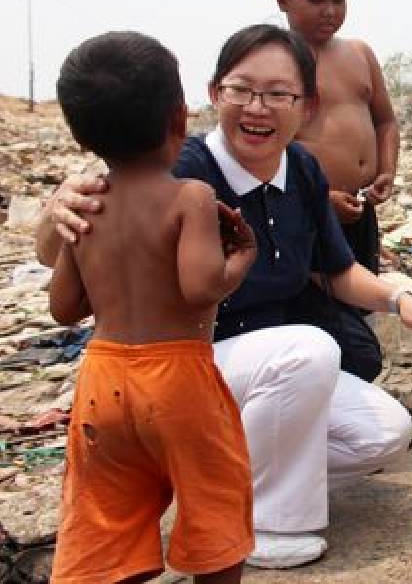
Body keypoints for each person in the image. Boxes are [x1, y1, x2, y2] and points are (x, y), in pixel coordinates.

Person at [37, 24, 412, 570]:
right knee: (309, 350)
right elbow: (71, 242)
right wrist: (58, 208)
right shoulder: (181, 170)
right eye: (242, 90)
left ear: (306, 105)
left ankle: (212, 483)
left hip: (262, 377)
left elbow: (337, 271)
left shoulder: (304, 169)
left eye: (279, 94)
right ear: (214, 94)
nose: (258, 108)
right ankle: (267, 524)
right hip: (186, 367)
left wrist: (400, 298)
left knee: (384, 432)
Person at [48, 32, 257, 584]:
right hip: (178, 378)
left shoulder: (87, 204)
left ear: (78, 131)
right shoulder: (188, 196)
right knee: (215, 496)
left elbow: (64, 307)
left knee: (108, 512)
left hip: (102, 379)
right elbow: (200, 287)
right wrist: (244, 258)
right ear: (177, 117)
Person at [275, 0, 398, 381]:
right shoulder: (278, 61)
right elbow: (264, 146)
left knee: (357, 300)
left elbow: (384, 120)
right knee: (313, 308)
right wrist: (320, 196)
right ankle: (320, 386)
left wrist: (386, 170)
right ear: (283, 0)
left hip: (359, 208)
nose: (330, 11)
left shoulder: (359, 54)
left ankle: (346, 389)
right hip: (305, 210)